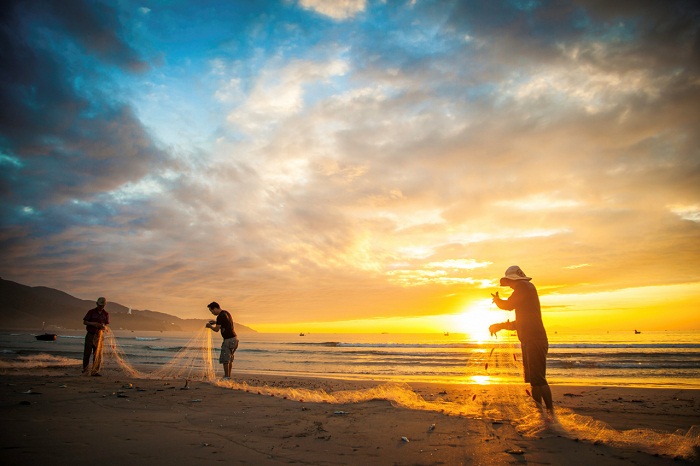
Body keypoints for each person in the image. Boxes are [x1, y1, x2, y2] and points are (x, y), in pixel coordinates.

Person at [489, 266, 554, 418]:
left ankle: (549, 413)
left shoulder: (524, 287)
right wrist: (502, 325)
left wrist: (497, 301)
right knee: (534, 381)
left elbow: (508, 305)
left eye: (510, 282)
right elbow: (521, 322)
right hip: (529, 340)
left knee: (538, 379)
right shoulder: (526, 290)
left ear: (514, 279)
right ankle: (541, 412)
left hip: (534, 340)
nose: (510, 286)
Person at [205, 301, 238, 379]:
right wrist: (216, 322)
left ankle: (226, 377)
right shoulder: (226, 313)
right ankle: (228, 376)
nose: (212, 313)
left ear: (215, 308)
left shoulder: (220, 316)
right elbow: (226, 323)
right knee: (230, 358)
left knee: (225, 359)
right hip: (234, 339)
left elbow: (216, 329)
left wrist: (210, 326)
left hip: (228, 340)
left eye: (211, 310)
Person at [82, 297, 110, 376]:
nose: (101, 307)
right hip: (90, 334)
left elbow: (106, 325)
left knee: (97, 354)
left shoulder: (106, 314)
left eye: (103, 306)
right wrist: (93, 323)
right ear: (97, 304)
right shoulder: (91, 312)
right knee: (87, 353)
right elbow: (85, 322)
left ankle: (95, 371)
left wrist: (103, 326)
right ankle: (85, 370)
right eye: (100, 305)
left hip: (99, 336)